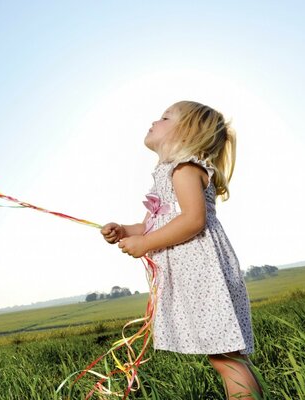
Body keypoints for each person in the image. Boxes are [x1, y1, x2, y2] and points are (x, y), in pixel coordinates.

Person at [101, 101, 263, 399]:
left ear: (187, 133)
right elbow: (154, 225)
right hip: (199, 275)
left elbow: (193, 220)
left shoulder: (184, 169)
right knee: (226, 356)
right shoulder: (169, 173)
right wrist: (125, 231)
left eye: (164, 117)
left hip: (205, 274)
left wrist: (146, 244)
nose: (154, 120)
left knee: (226, 357)